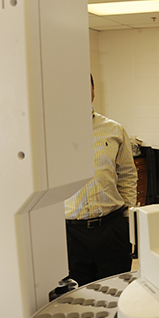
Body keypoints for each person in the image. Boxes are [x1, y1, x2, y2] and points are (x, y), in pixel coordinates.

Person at [64, 75, 137, 286]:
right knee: (77, 296)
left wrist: (127, 213)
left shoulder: (114, 129)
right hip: (70, 233)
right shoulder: (51, 132)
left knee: (117, 291)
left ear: (93, 90)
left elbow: (127, 174)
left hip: (111, 228)